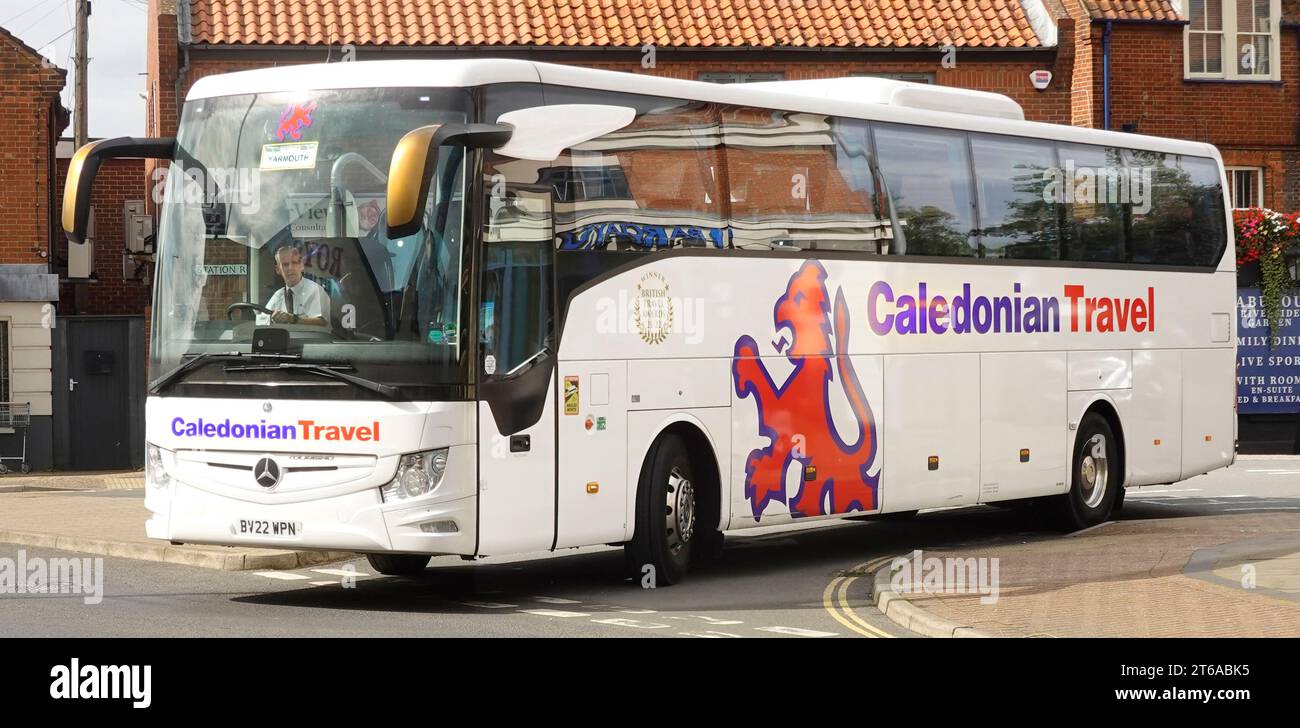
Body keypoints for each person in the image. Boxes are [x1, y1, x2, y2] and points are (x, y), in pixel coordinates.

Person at [257, 244, 331, 327]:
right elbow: (261, 321)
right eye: (285, 264)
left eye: (294, 263)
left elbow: (322, 322)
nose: (290, 268)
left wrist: (292, 319)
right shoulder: (278, 295)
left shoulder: (314, 290)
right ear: (278, 269)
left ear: (302, 266)